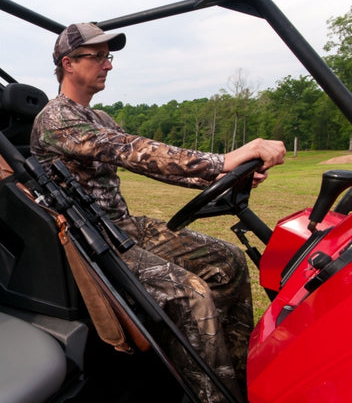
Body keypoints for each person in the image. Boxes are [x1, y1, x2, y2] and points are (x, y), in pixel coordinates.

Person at [30, 22, 286, 403]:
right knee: (191, 293)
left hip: (126, 226)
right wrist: (221, 161)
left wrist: (227, 177)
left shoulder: (99, 118)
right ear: (68, 63)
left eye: (108, 56)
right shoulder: (56, 120)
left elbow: (144, 163)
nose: (108, 65)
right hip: (94, 242)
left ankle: (240, 377)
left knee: (228, 261)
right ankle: (212, 396)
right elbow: (133, 150)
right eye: (97, 57)